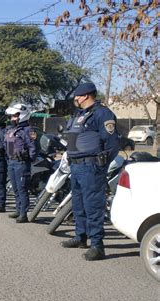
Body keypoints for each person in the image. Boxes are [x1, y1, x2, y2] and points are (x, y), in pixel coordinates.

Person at [61, 82, 119, 261]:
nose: (75, 99)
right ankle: (81, 237)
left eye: (77, 96)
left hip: (91, 167)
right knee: (78, 204)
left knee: (93, 206)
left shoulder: (102, 114)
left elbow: (112, 145)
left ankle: (97, 246)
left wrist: (100, 165)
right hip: (76, 166)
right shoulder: (80, 114)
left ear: (86, 95)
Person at [4, 103, 37, 223]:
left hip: (21, 163)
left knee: (22, 188)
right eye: (12, 116)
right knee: (16, 188)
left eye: (15, 116)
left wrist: (29, 160)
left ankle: (23, 213)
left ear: (22, 115)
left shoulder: (28, 130)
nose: (12, 118)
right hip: (12, 162)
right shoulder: (11, 130)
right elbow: (8, 145)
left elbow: (32, 147)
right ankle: (18, 210)